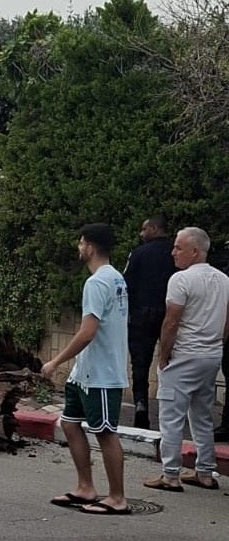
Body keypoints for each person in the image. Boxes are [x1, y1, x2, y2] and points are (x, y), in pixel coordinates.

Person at [42, 224, 130, 515]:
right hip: (86, 372)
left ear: (90, 247)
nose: (79, 248)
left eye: (81, 243)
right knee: (69, 423)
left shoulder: (97, 283)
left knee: (105, 432)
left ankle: (117, 497)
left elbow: (87, 332)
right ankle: (85, 487)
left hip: (102, 373)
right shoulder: (116, 277)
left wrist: (55, 361)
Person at [143, 226, 229, 492]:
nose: (173, 252)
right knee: (202, 415)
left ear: (195, 251)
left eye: (179, 247)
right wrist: (216, 344)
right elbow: (227, 322)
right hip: (211, 355)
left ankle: (170, 474)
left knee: (171, 415)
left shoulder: (180, 280)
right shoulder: (224, 280)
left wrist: (164, 356)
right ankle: (204, 471)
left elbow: (171, 322)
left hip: (184, 356)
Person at [122, 215, 175, 428]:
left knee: (140, 364)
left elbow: (127, 285)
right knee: (169, 362)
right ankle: (169, 409)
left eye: (144, 229)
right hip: (169, 316)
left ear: (154, 229)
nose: (141, 234)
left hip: (142, 316)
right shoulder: (176, 252)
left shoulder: (138, 254)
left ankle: (141, 405)